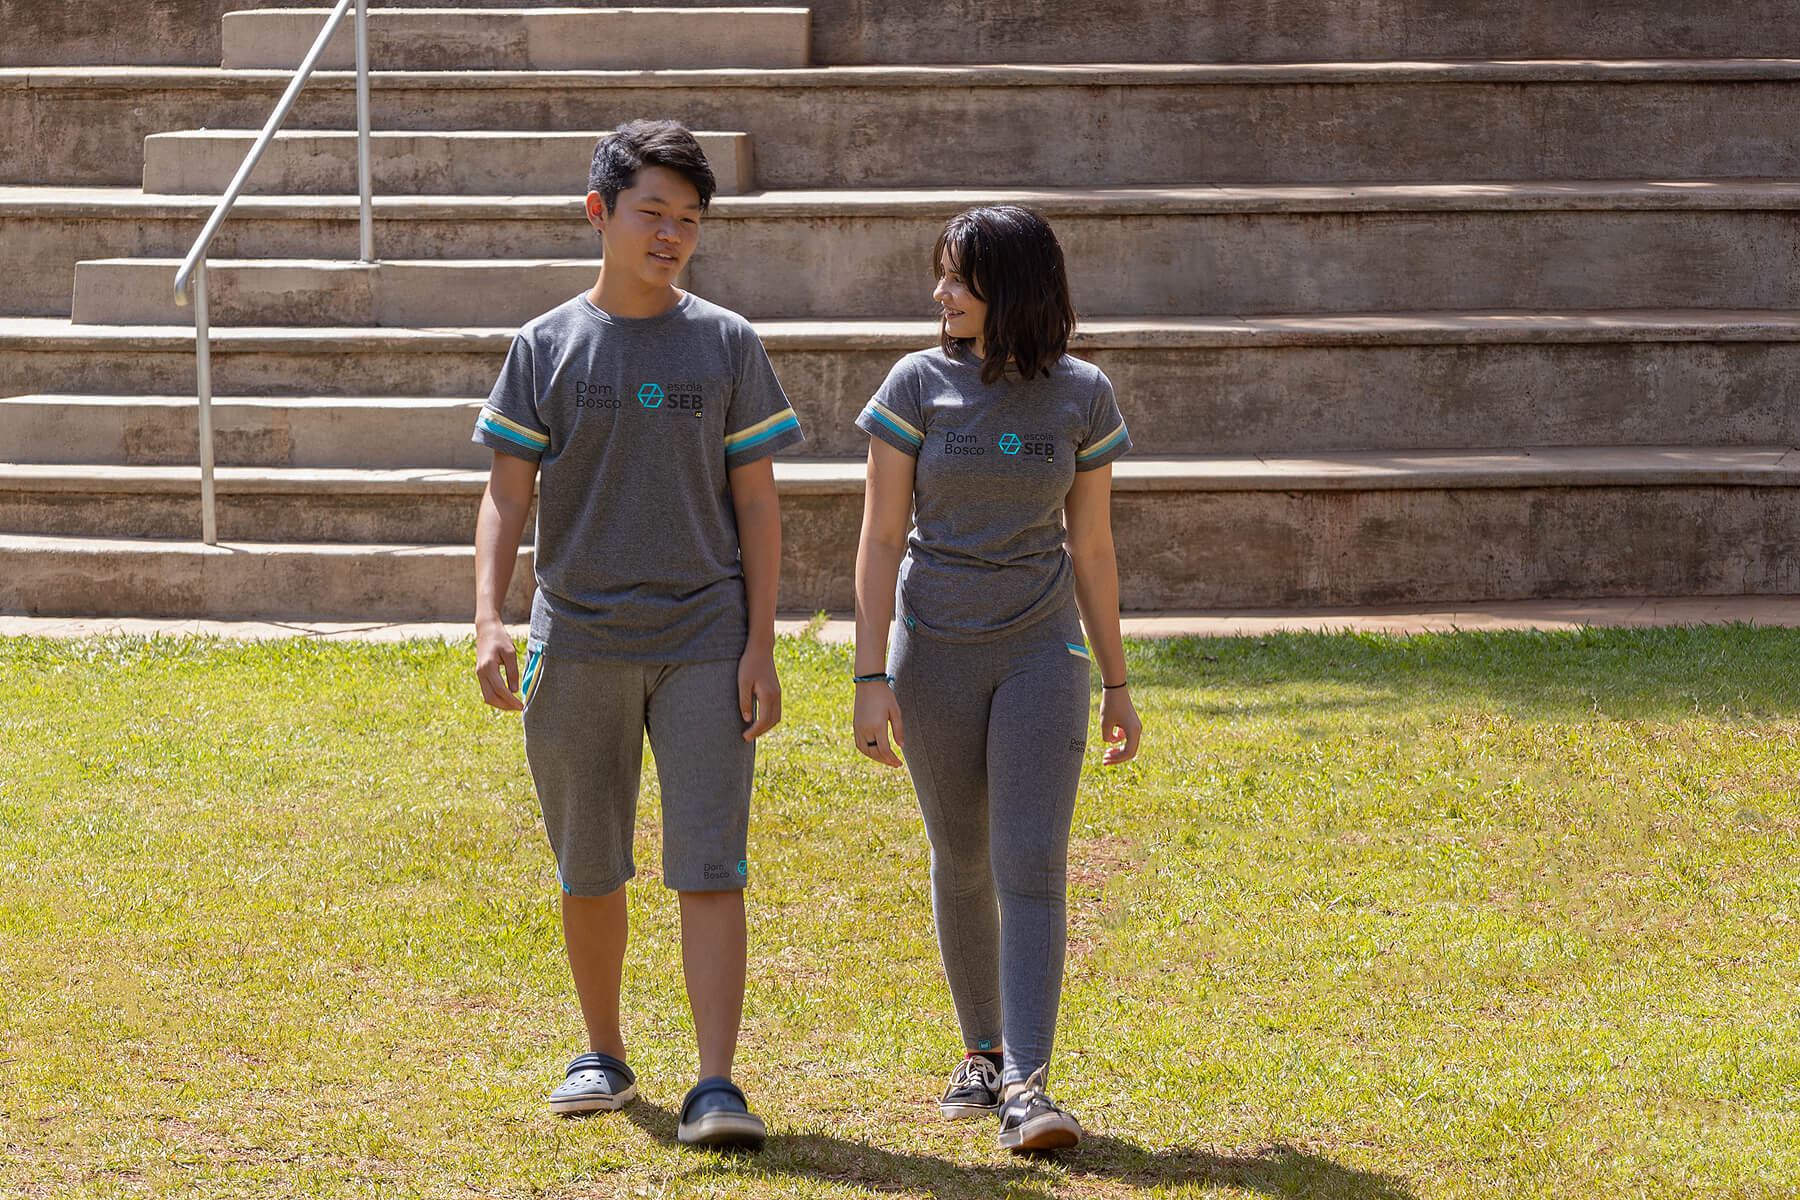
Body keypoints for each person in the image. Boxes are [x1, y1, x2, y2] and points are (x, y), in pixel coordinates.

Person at [471, 119, 803, 1150]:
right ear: (599, 214)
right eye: (652, 213)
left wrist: (761, 644)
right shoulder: (545, 345)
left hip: (708, 641)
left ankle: (716, 1086)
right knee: (589, 863)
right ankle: (602, 1053)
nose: (671, 235)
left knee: (711, 864)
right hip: (577, 645)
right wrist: (490, 614)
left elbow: (758, 506)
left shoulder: (728, 344)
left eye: (689, 221)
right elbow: (505, 495)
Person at [851, 204, 1144, 1153]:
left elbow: (1093, 548)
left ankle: (1027, 1081)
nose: (940, 295)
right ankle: (980, 1050)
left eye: (959, 279)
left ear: (1012, 288)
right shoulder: (914, 384)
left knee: (1029, 860)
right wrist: (868, 671)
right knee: (961, 855)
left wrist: (1119, 680)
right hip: (930, 648)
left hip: (1040, 650)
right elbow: (881, 537)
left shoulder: (1083, 395)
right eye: (940, 276)